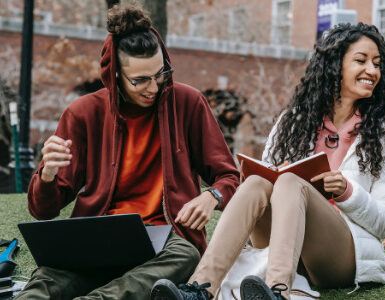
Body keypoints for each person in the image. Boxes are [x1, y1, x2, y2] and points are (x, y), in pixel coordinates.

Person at [150, 22, 385, 300]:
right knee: (257, 182)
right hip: (280, 242)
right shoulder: (293, 121)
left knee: (290, 182)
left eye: (377, 64)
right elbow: (267, 183)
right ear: (334, 65)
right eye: (361, 60)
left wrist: (347, 192)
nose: (372, 71)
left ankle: (278, 291)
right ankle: (200, 289)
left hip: (341, 254)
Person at [17, 4, 240, 300]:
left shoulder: (189, 103)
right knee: (46, 279)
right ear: (115, 75)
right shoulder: (82, 113)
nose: (154, 87)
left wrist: (211, 197)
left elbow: (229, 176)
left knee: (186, 256)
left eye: (160, 74)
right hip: (98, 235)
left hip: (166, 239)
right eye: (140, 80)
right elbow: (42, 211)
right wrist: (47, 174)